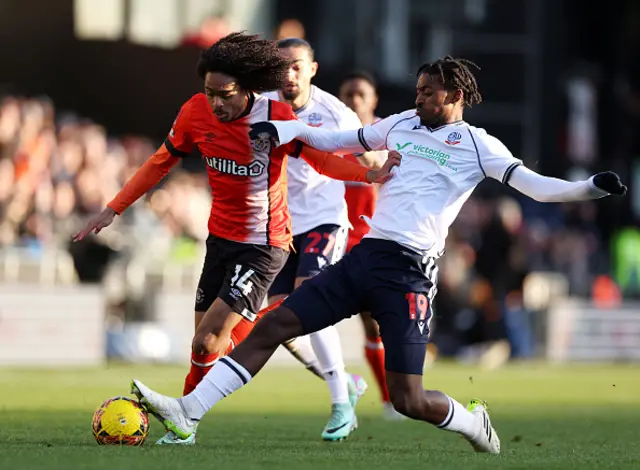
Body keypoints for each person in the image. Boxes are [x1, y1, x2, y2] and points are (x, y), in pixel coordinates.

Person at [129, 56, 627, 453]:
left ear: (453, 96)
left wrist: (589, 187)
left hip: (410, 275)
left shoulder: (479, 145)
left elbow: (536, 188)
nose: (417, 99)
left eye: (427, 92)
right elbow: (340, 140)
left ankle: (473, 423)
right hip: (365, 256)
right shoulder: (403, 123)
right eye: (416, 91)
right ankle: (188, 411)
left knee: (409, 399)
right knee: (274, 325)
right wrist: (290, 132)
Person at [73, 32, 398, 445]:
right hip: (220, 240)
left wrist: (367, 174)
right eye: (209, 93)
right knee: (207, 346)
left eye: (224, 94)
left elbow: (320, 160)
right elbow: (160, 162)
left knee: (214, 336)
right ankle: (195, 417)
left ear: (247, 89)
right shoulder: (195, 112)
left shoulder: (274, 116)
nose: (216, 103)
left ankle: (186, 420)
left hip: (265, 245)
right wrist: (113, 208)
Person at [261, 38, 373, 441]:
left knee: (311, 301)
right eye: (281, 67)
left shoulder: (334, 112)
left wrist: (387, 162)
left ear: (312, 69)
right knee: (279, 319)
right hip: (281, 226)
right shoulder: (262, 105)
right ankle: (346, 382)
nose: (288, 75)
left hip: (324, 221)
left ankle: (341, 405)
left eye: (296, 66)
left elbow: (372, 157)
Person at [338, 70, 403, 420]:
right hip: (331, 237)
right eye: (348, 94)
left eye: (361, 94)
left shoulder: (387, 136)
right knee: (299, 319)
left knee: (373, 324)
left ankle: (389, 399)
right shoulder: (331, 136)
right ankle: (341, 382)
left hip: (372, 241)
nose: (354, 101)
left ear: (373, 100)